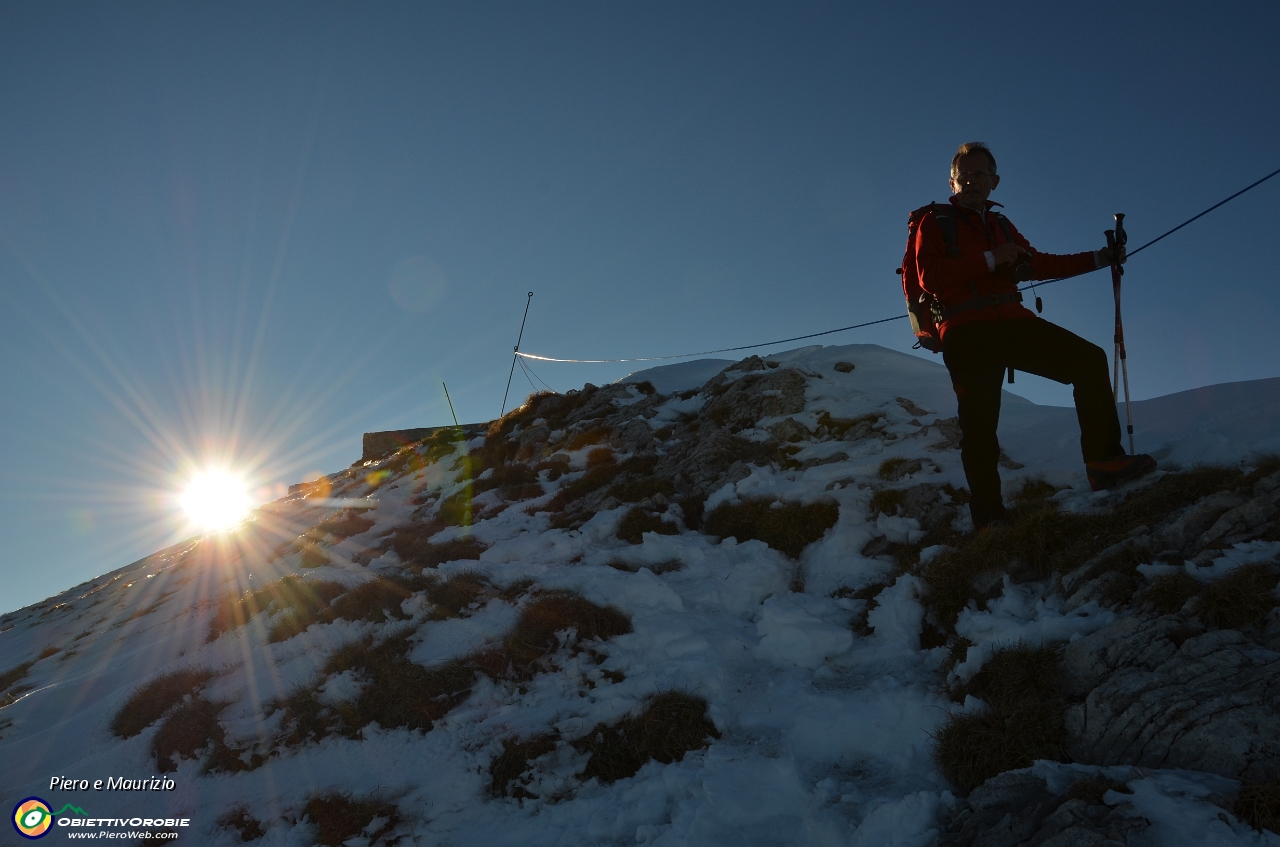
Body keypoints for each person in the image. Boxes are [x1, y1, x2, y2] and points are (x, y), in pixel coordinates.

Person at [915, 141, 1155, 531]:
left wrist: (1100, 258)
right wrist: (994, 259)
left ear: (994, 181)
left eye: (980, 175)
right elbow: (932, 277)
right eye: (964, 176)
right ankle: (990, 518)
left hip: (1012, 320)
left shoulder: (1002, 225)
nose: (972, 182)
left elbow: (1039, 263)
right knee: (979, 425)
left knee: (1088, 360)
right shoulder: (936, 222)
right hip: (966, 330)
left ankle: (1104, 462)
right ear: (952, 183)